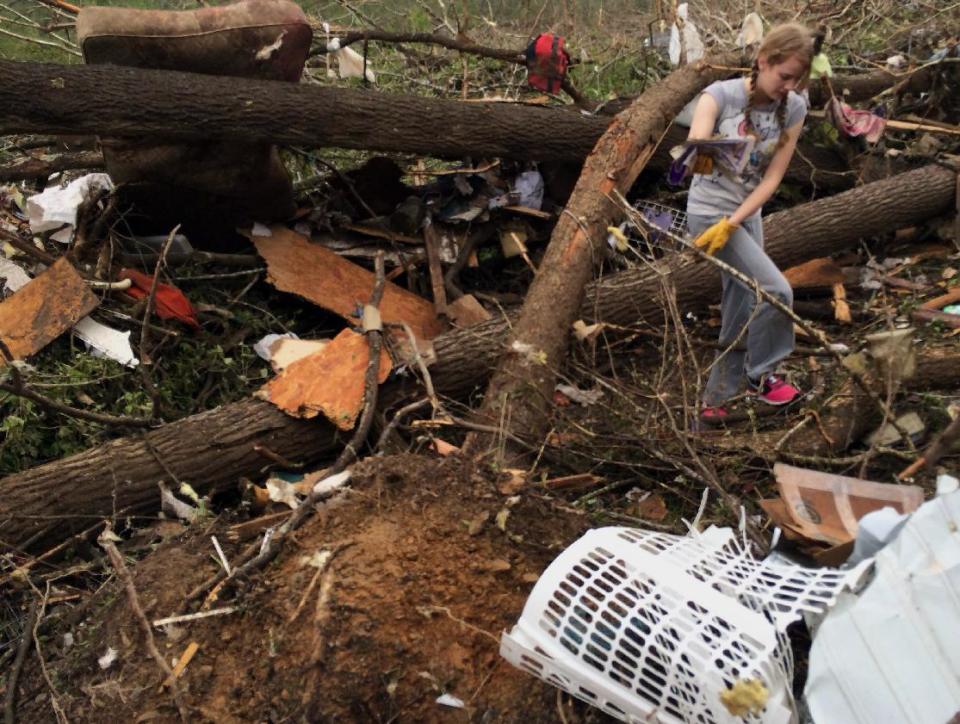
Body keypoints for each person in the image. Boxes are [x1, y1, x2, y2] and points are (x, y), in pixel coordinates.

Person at [684, 23, 814, 422]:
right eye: (784, 76)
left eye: (797, 80)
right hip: (708, 214)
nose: (789, 86)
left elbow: (773, 178)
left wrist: (737, 221)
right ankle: (763, 376)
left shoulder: (794, 107)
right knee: (778, 291)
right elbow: (693, 156)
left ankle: (715, 401)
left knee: (740, 303)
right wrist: (730, 150)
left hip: (744, 216)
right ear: (763, 62)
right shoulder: (719, 96)